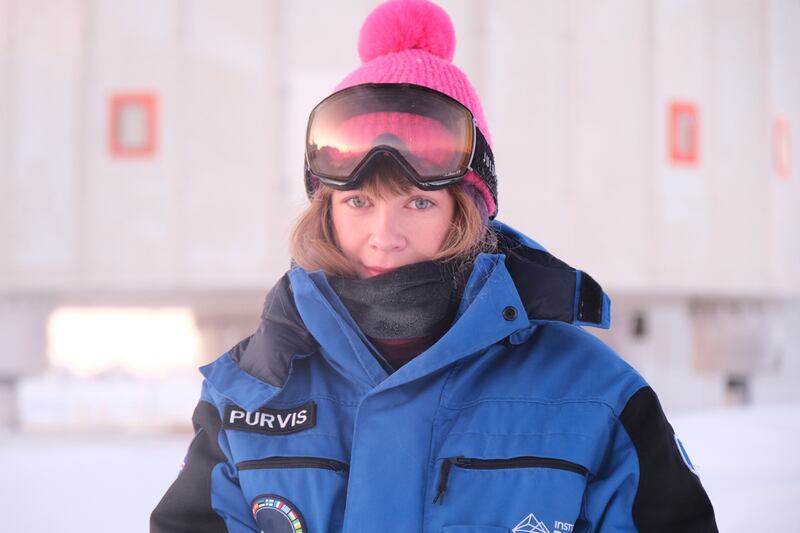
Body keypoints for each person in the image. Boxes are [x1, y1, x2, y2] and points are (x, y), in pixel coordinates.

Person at [151, 1, 718, 532]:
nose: (384, 237)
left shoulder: (595, 396)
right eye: (358, 202)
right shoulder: (253, 393)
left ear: (465, 214)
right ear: (325, 211)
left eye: (418, 202)